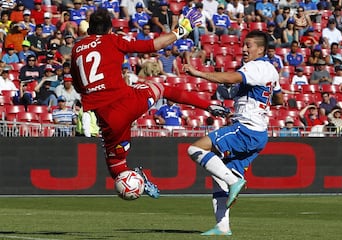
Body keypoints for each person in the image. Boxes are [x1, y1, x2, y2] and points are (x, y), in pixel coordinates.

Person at [70, 8, 228, 199]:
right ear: (110, 30)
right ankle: (208, 106)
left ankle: (136, 181)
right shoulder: (112, 40)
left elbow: (78, 86)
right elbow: (153, 45)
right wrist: (182, 30)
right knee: (161, 87)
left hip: (105, 117)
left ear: (89, 31)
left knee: (116, 163)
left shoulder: (77, 49)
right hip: (126, 102)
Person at [183, 30, 283, 236]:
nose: (244, 49)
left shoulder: (256, 66)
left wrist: (199, 73)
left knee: (195, 149)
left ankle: (234, 181)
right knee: (218, 175)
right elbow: (279, 100)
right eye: (243, 45)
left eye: (249, 46)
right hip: (259, 132)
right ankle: (222, 227)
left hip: (246, 128)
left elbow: (233, 76)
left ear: (261, 49)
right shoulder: (271, 69)